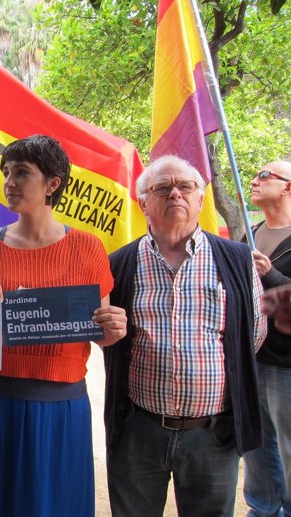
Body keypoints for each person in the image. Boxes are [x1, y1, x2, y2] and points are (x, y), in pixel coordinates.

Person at [0, 135, 127, 517]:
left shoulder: (87, 247)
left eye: (22, 173)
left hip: (60, 407)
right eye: (7, 173)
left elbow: (103, 335)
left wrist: (113, 327)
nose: (10, 182)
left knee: (55, 506)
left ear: (53, 183)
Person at [105, 155, 266, 517]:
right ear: (144, 202)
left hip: (212, 434)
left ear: (200, 198)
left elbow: (252, 335)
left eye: (185, 186)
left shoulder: (238, 260)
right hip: (137, 431)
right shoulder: (118, 264)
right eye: (162, 187)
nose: (175, 193)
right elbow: (106, 338)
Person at [244, 160, 291, 517]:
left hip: (286, 365)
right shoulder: (250, 231)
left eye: (264, 175)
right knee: (256, 444)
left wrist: (272, 274)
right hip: (250, 357)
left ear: (287, 186)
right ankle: (262, 509)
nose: (254, 181)